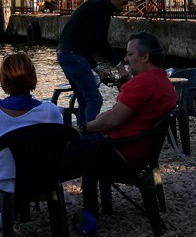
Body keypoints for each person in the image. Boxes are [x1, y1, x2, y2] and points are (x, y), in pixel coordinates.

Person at [62, 32, 177, 236]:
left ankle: (34, 190)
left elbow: (113, 120)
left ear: (145, 57)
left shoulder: (142, 83)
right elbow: (117, 118)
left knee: (68, 151)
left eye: (130, 54)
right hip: (140, 153)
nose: (125, 59)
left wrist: (83, 127)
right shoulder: (164, 83)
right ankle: (91, 210)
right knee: (80, 146)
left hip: (122, 154)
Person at [0, 52, 63, 195]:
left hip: (0, 180)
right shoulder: (50, 111)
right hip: (43, 180)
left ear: (3, 80)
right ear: (33, 78)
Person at [56, 0, 133, 124]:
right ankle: (91, 136)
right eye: (123, 3)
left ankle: (82, 135)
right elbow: (100, 41)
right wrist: (120, 67)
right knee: (94, 99)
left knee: (84, 99)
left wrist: (98, 69)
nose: (124, 7)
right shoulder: (103, 7)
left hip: (65, 53)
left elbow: (86, 44)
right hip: (74, 54)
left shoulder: (95, 4)